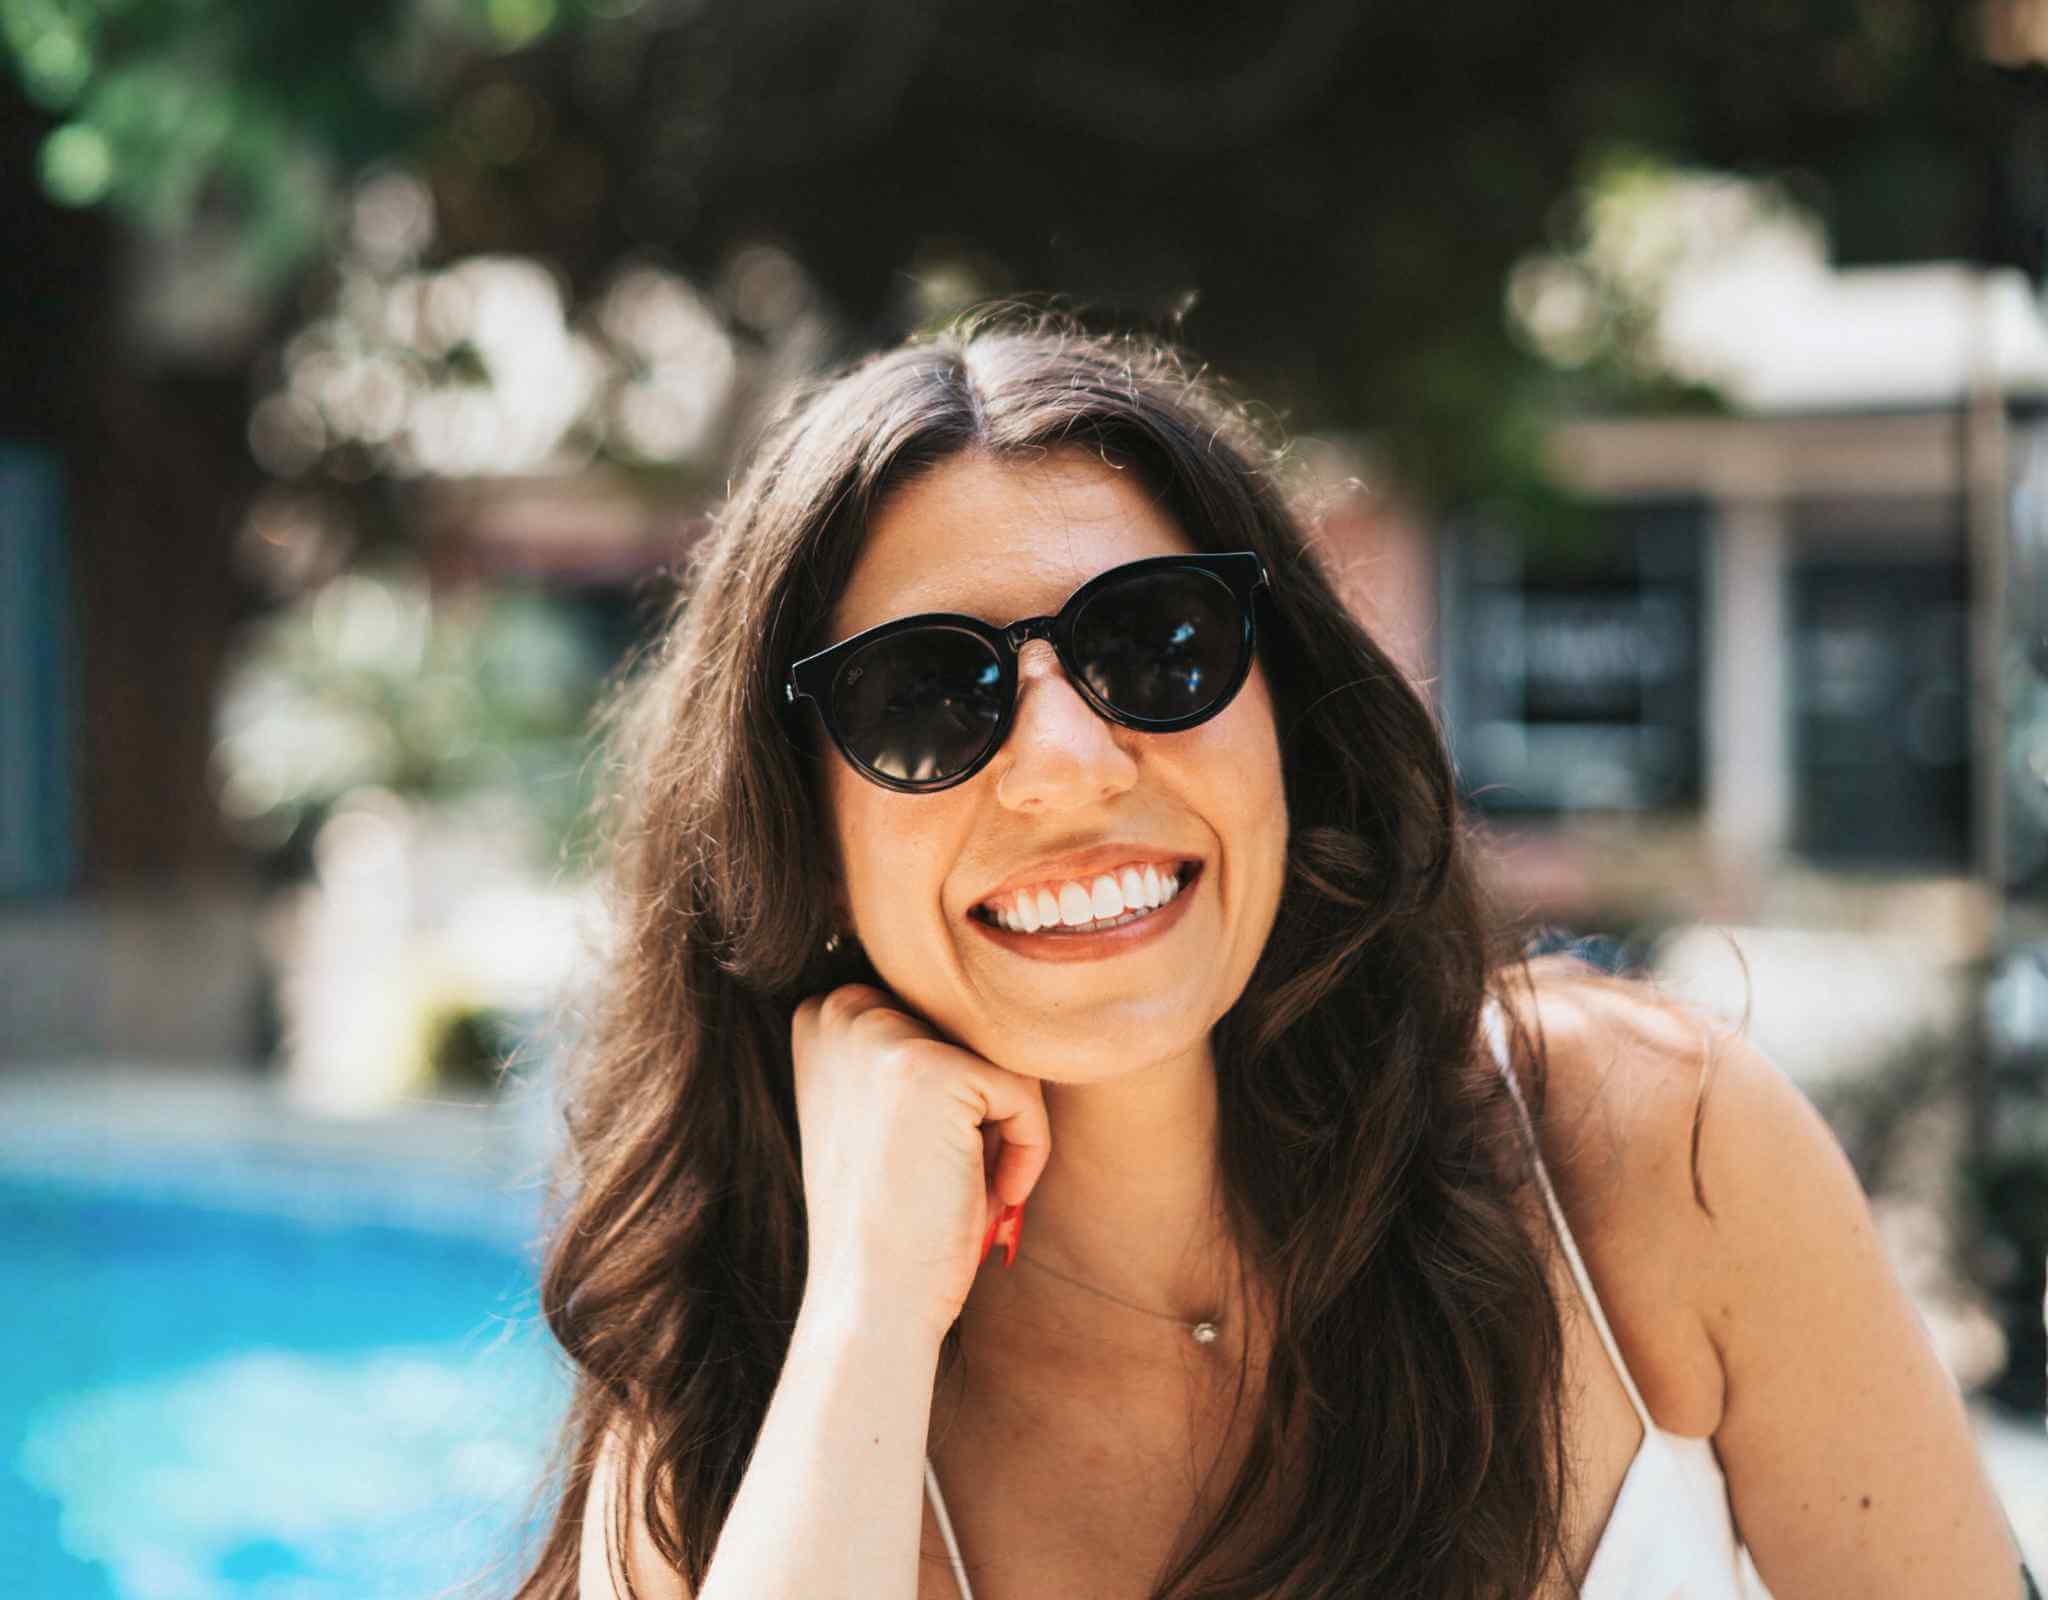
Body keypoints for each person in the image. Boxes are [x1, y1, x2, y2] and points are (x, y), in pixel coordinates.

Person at [504, 309, 2032, 1599]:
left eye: (1157, 644)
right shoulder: (739, 1384)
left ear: (1287, 714)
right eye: (926, 697)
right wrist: (869, 1310)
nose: (1069, 762)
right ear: (799, 828)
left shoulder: (1641, 1151)